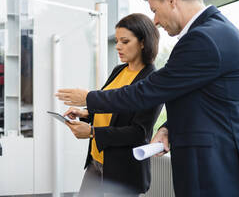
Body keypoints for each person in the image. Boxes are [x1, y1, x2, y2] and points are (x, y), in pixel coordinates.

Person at [57, 0, 239, 197]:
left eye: (155, 10)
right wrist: (169, 128)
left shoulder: (203, 38)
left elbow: (147, 92)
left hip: (218, 170)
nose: (155, 21)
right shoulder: (212, 32)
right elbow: (204, 102)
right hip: (215, 165)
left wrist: (88, 97)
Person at [56, 13, 163, 196]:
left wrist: (91, 132)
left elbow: (139, 133)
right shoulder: (119, 70)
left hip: (122, 170)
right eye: (117, 41)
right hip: (96, 160)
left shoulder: (153, 81)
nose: (118, 47)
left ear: (143, 42)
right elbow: (109, 108)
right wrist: (85, 114)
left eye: (125, 41)